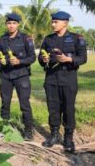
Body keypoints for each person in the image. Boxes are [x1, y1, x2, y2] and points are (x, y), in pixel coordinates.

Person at [39, 11, 87, 152]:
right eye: (52, 22)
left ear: (65, 23)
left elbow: (83, 58)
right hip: (51, 79)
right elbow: (41, 58)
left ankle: (68, 138)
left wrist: (69, 59)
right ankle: (53, 136)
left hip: (69, 79)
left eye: (56, 22)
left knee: (68, 109)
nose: (53, 24)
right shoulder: (48, 39)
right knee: (53, 108)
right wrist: (44, 60)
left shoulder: (77, 38)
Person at [0, 13, 36, 140]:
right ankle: (4, 129)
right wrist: (0, 60)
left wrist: (20, 61)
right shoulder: (2, 40)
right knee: (5, 103)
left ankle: (28, 131)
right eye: (9, 23)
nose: (11, 26)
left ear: (18, 24)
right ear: (6, 24)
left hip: (21, 75)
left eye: (13, 23)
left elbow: (32, 57)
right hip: (6, 75)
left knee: (24, 104)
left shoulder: (25, 39)